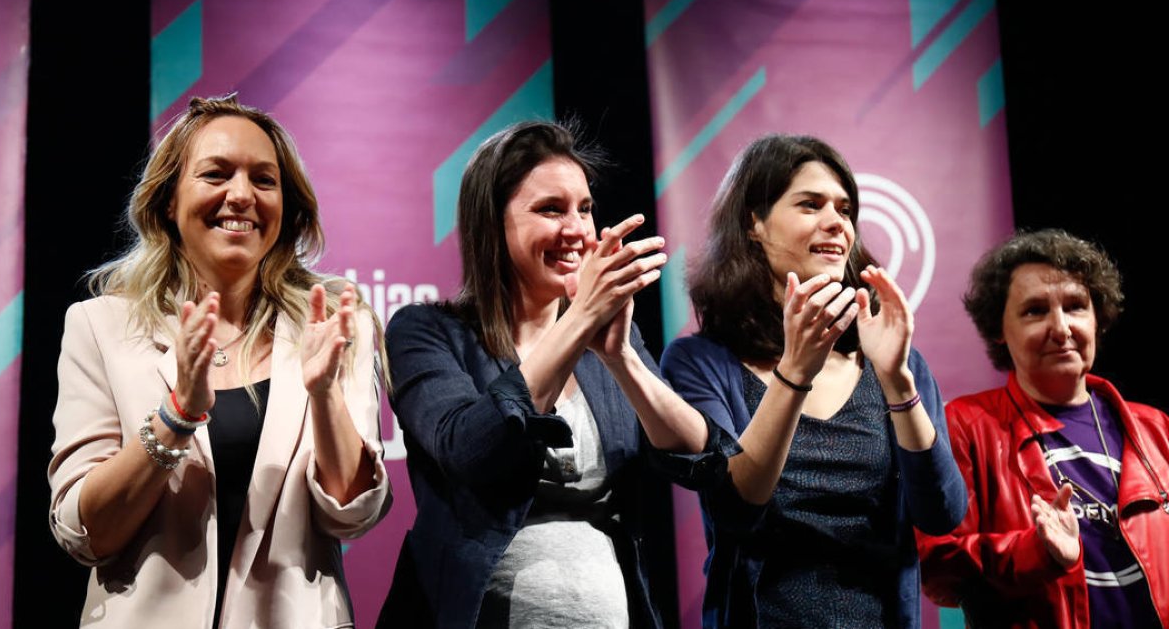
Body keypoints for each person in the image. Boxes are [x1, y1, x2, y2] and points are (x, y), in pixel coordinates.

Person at [47, 95, 391, 628]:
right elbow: (84, 532)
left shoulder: (336, 326)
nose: (241, 195)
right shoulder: (101, 327)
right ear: (167, 201)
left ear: (288, 205)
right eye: (216, 174)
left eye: (264, 180)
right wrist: (177, 414)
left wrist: (324, 396)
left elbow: (352, 515)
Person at [376, 120, 710, 628]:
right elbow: (472, 450)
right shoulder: (426, 332)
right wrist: (577, 321)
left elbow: (696, 454)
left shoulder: (606, 340)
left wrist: (622, 358)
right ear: (492, 223)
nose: (576, 230)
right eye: (550, 210)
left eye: (586, 209)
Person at [659, 134, 966, 628]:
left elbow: (942, 513)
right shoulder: (700, 362)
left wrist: (898, 382)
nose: (836, 224)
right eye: (810, 205)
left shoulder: (890, 361)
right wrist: (794, 372)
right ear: (753, 223)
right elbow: (737, 510)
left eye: (845, 210)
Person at [915, 229, 1169, 626]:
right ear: (999, 328)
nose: (1062, 328)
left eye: (1075, 307)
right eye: (1035, 311)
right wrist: (1036, 552)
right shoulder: (966, 425)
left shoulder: (1155, 429)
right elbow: (937, 564)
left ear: (1096, 317)